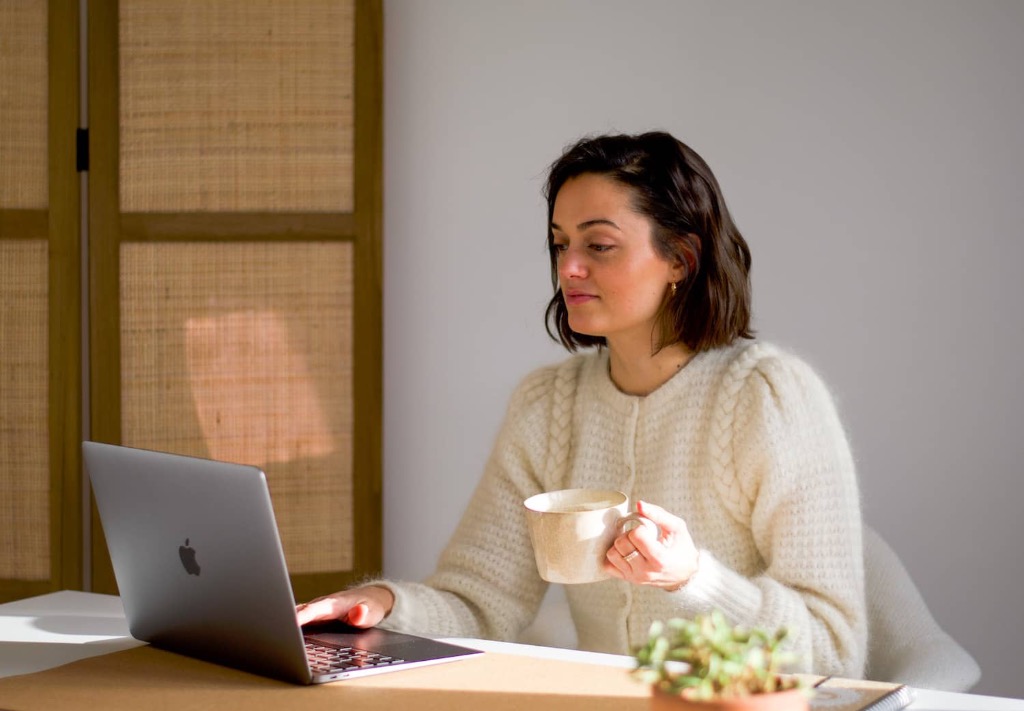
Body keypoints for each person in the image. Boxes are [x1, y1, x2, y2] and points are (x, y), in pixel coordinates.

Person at [297, 131, 867, 678]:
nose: (568, 266)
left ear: (682, 259)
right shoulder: (548, 406)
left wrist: (690, 578)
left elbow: (835, 652)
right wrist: (378, 605)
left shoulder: (769, 399)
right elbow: (481, 603)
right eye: (559, 242)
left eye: (599, 245)